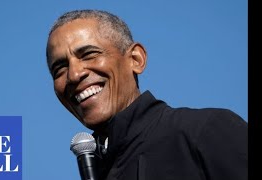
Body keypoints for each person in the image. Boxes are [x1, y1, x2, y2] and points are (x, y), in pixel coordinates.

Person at [46, 9, 247, 180]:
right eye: (59, 69)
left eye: (89, 54)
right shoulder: (99, 168)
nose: (74, 75)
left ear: (136, 59)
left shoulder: (202, 131)